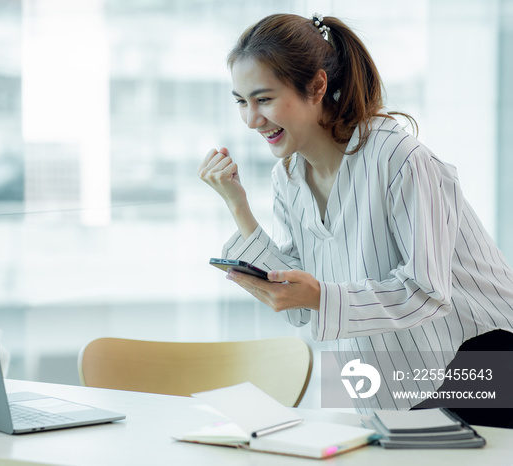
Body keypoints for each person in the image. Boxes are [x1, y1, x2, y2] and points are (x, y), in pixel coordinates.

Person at [198, 13, 513, 428]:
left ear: (316, 87)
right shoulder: (287, 178)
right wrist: (238, 206)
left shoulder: (399, 158)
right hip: (388, 370)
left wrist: (320, 297)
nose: (252, 118)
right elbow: (301, 308)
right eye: (241, 101)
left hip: (476, 360)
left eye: (264, 99)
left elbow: (426, 292)